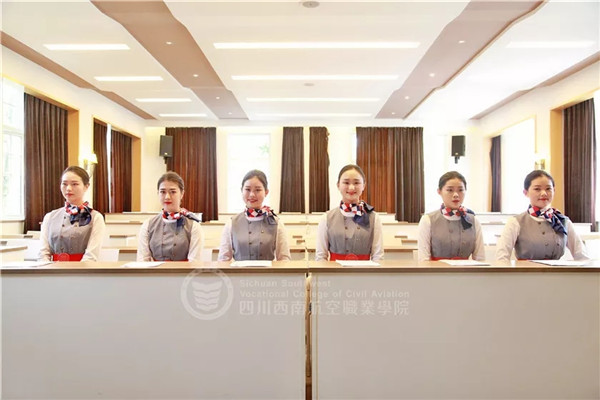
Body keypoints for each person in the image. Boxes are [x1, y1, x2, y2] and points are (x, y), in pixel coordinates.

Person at [496, 169, 588, 261]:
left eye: (548, 189)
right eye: (537, 189)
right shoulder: (515, 222)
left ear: (554, 191)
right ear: (525, 192)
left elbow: (582, 255)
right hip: (525, 270)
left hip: (557, 270)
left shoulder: (563, 221)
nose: (544, 193)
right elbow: (501, 258)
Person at [218, 170, 291, 261]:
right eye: (248, 189)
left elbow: (284, 259)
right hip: (238, 271)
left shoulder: (276, 223)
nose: (252, 194)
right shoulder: (232, 223)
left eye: (258, 190)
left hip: (268, 271)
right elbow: (223, 259)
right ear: (241, 190)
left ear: (266, 192)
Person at [315, 164, 383, 261]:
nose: (351, 188)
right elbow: (321, 257)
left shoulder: (374, 218)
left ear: (363, 186)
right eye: (346, 183)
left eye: (356, 183)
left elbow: (378, 256)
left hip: (365, 270)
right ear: (338, 185)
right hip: (334, 270)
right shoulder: (326, 218)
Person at [39, 166, 106, 261]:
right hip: (53, 268)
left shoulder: (95, 217)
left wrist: (74, 270)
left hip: (82, 268)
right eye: (64, 184)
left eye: (74, 184)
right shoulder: (50, 216)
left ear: (86, 186)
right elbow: (43, 253)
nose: (68, 188)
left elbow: (91, 256)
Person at [417, 171, 485, 262]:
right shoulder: (428, 220)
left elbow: (480, 258)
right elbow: (423, 259)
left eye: (460, 190)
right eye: (450, 190)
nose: (456, 195)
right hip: (436, 270)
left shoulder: (473, 220)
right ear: (439, 191)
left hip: (466, 270)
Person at [137, 171, 203, 261]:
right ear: (158, 193)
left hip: (185, 270)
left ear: (182, 194)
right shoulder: (148, 225)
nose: (167, 197)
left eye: (172, 192)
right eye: (163, 192)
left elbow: (194, 262)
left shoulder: (193, 226)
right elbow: (142, 260)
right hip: (155, 270)